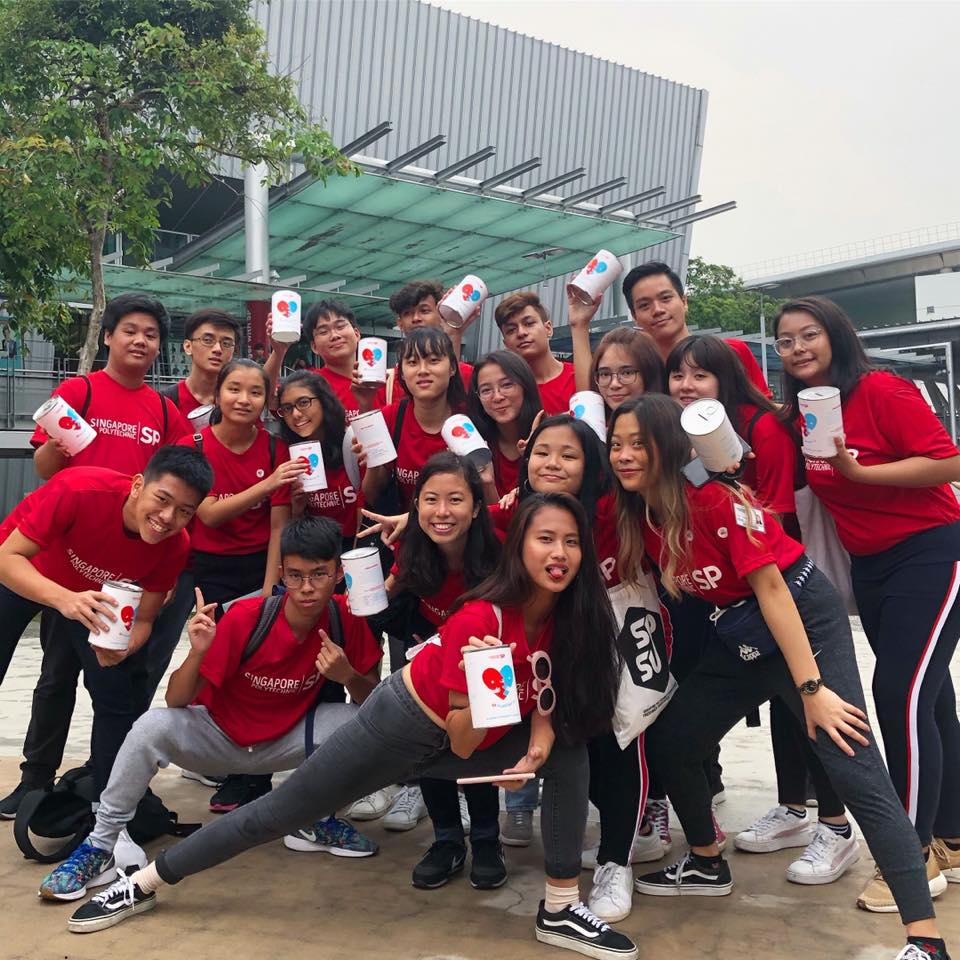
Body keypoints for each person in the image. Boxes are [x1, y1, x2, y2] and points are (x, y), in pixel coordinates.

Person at [65, 494, 638, 960]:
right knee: (273, 816)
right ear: (520, 549)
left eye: (570, 541)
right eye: (545, 539)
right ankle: (141, 886)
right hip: (398, 725)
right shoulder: (480, 620)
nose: (559, 552)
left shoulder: (567, 618)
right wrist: (469, 695)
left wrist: (534, 752)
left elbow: (546, 697)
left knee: (568, 750)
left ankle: (560, 910)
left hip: (449, 742)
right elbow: (465, 739)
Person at [609, 393, 951, 960]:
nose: (624, 455)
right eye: (617, 444)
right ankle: (705, 861)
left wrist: (812, 690)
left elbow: (772, 589)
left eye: (638, 444)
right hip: (741, 637)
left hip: (799, 615)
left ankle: (926, 939)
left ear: (667, 447)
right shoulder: (642, 511)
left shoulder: (712, 501)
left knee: (854, 766)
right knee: (673, 739)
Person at [37, 515, 383, 901]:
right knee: (152, 725)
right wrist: (198, 653)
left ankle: (315, 820)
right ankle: (101, 844)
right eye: (297, 575)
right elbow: (176, 701)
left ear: (339, 574)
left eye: (319, 575)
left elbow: (373, 702)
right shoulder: (248, 618)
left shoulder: (347, 617)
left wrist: (347, 674)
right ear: (282, 573)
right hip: (219, 739)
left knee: (362, 725)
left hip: (286, 739)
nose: (306, 588)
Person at [774, 295, 960, 911]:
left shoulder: (882, 390)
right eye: (786, 340)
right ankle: (952, 837)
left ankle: (908, 854)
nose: (799, 348)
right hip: (874, 567)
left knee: (898, 697)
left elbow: (950, 461)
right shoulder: (798, 413)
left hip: (932, 550)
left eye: (810, 335)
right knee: (931, 702)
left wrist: (860, 473)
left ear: (836, 338)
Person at [664, 333, 855, 882]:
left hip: (779, 582)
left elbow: (770, 509)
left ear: (726, 379)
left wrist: (723, 493)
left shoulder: (764, 428)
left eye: (700, 375)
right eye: (678, 375)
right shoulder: (678, 434)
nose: (687, 385)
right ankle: (795, 811)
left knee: (808, 704)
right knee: (779, 706)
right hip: (730, 593)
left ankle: (836, 825)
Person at [1, 294, 191, 819]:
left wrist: (159, 565)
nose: (141, 341)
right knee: (54, 675)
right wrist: (56, 450)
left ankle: (113, 788)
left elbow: (182, 476)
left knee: (105, 678)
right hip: (52, 547)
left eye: (151, 335)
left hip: (119, 566)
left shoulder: (161, 411)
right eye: (130, 330)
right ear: (107, 335)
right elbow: (44, 467)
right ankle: (35, 779)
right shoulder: (78, 391)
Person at [0, 447, 212, 797]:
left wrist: (123, 648)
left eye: (184, 512)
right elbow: (7, 558)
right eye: (162, 499)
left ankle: (107, 805)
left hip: (90, 598)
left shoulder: (175, 546)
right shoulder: (79, 490)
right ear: (137, 485)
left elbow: (144, 618)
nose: (167, 517)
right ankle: (34, 781)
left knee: (116, 692)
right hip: (28, 569)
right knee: (53, 679)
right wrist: (64, 599)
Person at [177, 358, 304, 813]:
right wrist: (268, 484)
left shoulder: (276, 451)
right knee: (217, 668)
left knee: (261, 670)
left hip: (259, 568)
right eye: (234, 389)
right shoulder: (195, 445)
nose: (243, 400)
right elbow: (207, 513)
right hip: (207, 569)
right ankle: (222, 758)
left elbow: (278, 527)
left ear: (266, 401)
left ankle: (252, 777)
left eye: (255, 392)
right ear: (217, 395)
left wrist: (271, 591)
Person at [376, 453, 505, 888]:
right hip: (431, 661)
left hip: (487, 658)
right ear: (416, 506)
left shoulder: (499, 549)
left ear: (475, 507)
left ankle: (488, 839)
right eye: (430, 500)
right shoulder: (411, 548)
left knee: (477, 742)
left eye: (455, 499)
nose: (442, 512)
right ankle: (447, 839)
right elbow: (381, 602)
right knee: (430, 744)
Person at [360, 327, 469, 511]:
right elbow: (371, 495)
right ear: (401, 372)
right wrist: (373, 460)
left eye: (433, 360)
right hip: (404, 536)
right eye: (412, 362)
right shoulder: (390, 417)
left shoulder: (468, 420)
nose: (423, 370)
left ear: (452, 368)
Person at [620, 261, 769, 395]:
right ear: (634, 316)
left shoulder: (733, 352)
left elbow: (764, 412)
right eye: (644, 305)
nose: (657, 309)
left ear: (684, 301)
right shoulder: (637, 375)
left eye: (665, 298)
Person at [276, 371, 360, 546]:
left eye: (304, 402)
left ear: (324, 401)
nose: (296, 414)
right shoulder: (287, 455)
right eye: (287, 408)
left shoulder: (353, 443)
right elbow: (291, 526)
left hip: (357, 546)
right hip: (317, 552)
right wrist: (298, 510)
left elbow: (370, 502)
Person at [264, 299, 379, 423]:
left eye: (340, 326)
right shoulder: (309, 384)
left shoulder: (385, 380)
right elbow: (266, 397)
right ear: (314, 347)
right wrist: (279, 351)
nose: (335, 335)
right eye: (323, 331)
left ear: (356, 334)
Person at [566, 293, 664, 414]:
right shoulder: (597, 428)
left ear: (649, 373)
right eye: (604, 374)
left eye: (627, 373)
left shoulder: (670, 427)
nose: (614, 384)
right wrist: (579, 325)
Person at [467, 350, 542, 496]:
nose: (497, 397)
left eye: (507, 385)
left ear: (525, 386)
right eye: (486, 390)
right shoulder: (476, 445)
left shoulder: (550, 436)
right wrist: (487, 483)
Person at [495, 292, 577, 415]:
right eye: (511, 330)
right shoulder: (505, 393)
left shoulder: (579, 377)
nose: (521, 333)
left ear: (548, 329)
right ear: (506, 344)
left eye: (529, 324)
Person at [160, 308, 240, 415]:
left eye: (226, 343)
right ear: (188, 346)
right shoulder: (165, 402)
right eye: (207, 340)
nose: (218, 349)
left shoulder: (239, 404)